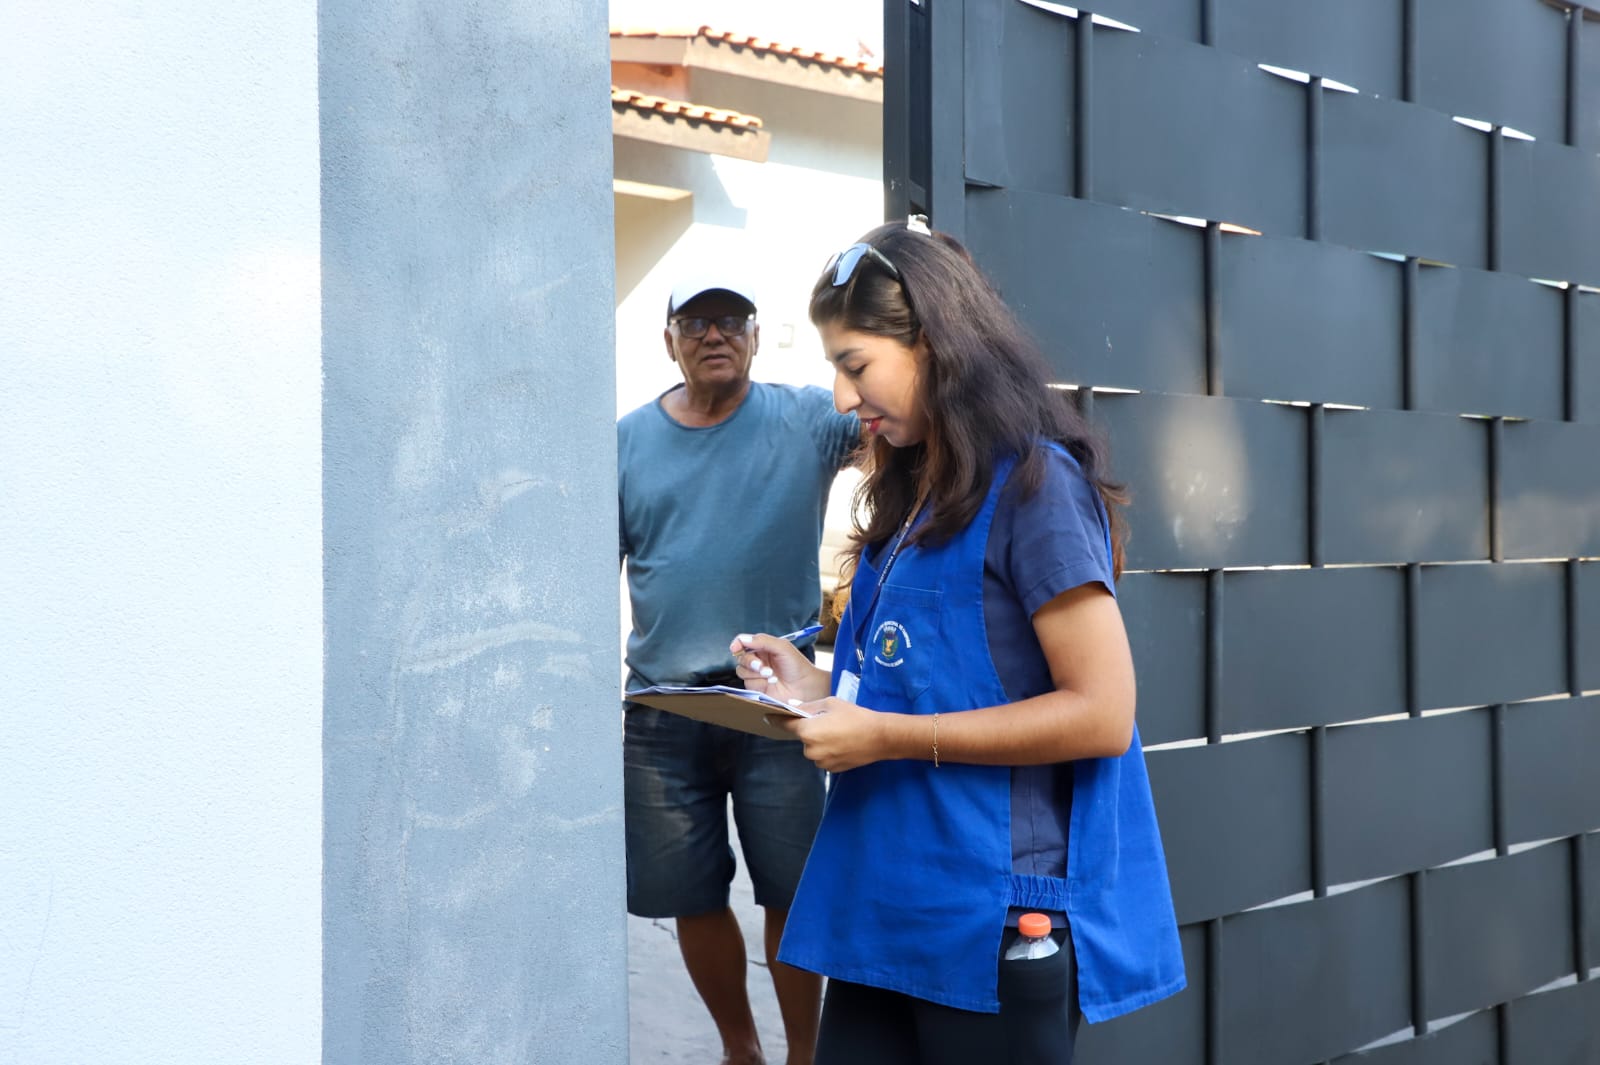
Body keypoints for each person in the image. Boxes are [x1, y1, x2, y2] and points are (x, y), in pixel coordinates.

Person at [730, 223, 1185, 1064]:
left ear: (936, 344)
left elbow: (1102, 711)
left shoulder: (1037, 490)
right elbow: (926, 682)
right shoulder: (913, 494)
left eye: (856, 364)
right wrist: (816, 690)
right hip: (881, 908)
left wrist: (884, 737)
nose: (839, 396)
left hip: (991, 920)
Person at [618, 271, 860, 1065]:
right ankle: (740, 1048)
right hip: (664, 709)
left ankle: (803, 1053)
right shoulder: (625, 442)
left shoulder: (805, 419)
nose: (713, 334)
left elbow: (898, 423)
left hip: (774, 705)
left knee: (793, 888)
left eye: (732, 320)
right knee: (688, 893)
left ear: (757, 336)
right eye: (694, 323)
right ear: (669, 343)